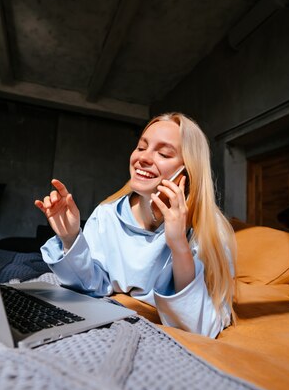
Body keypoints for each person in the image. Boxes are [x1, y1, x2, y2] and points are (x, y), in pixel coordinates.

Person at [34, 112, 236, 337]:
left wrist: (178, 244)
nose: (144, 158)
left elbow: (202, 326)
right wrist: (70, 238)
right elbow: (92, 283)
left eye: (163, 153)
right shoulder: (107, 213)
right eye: (141, 147)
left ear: (187, 172)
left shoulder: (209, 229)